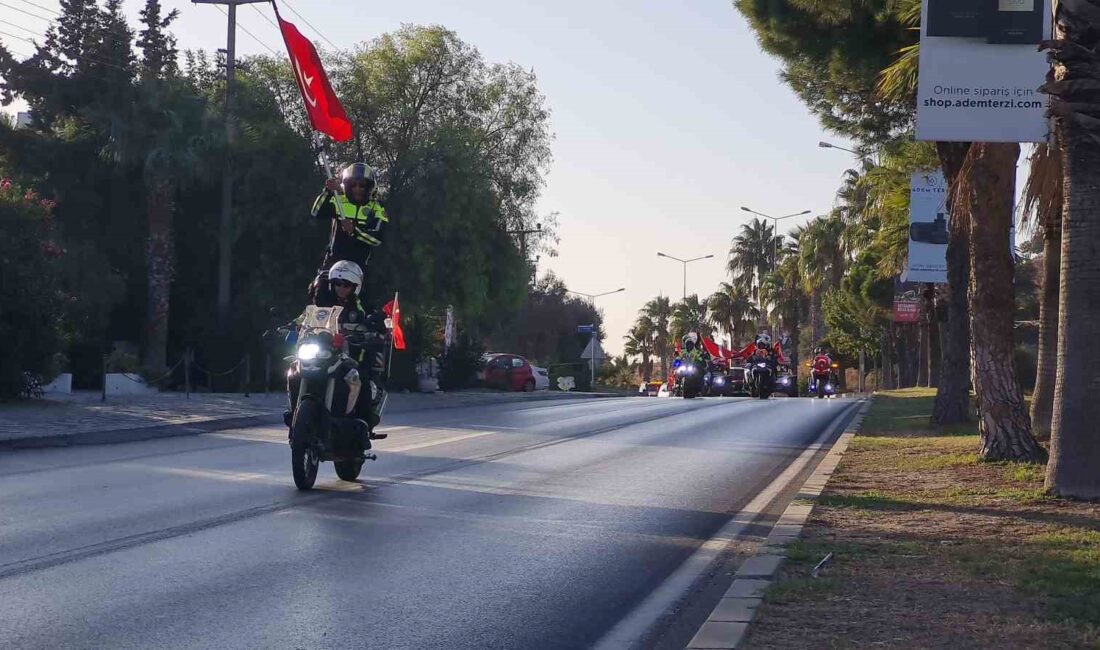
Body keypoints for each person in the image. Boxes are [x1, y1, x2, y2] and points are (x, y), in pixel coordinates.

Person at [287, 261, 390, 445]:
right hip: (323, 353)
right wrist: (291, 325)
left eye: (347, 285)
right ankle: (296, 414)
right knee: (293, 372)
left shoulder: (361, 306)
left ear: (355, 287)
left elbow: (375, 320)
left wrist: (375, 325)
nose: (341, 288)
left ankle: (364, 427)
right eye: (337, 284)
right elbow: (305, 318)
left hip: (349, 355)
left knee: (362, 380)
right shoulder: (321, 303)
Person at [308, 162, 389, 302]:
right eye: (353, 185)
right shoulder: (339, 201)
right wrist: (327, 191)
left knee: (367, 303)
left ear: (369, 187)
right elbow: (316, 212)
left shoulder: (377, 208)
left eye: (362, 185)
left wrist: (355, 230)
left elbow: (377, 239)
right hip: (333, 263)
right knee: (319, 293)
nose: (357, 189)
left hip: (359, 267)